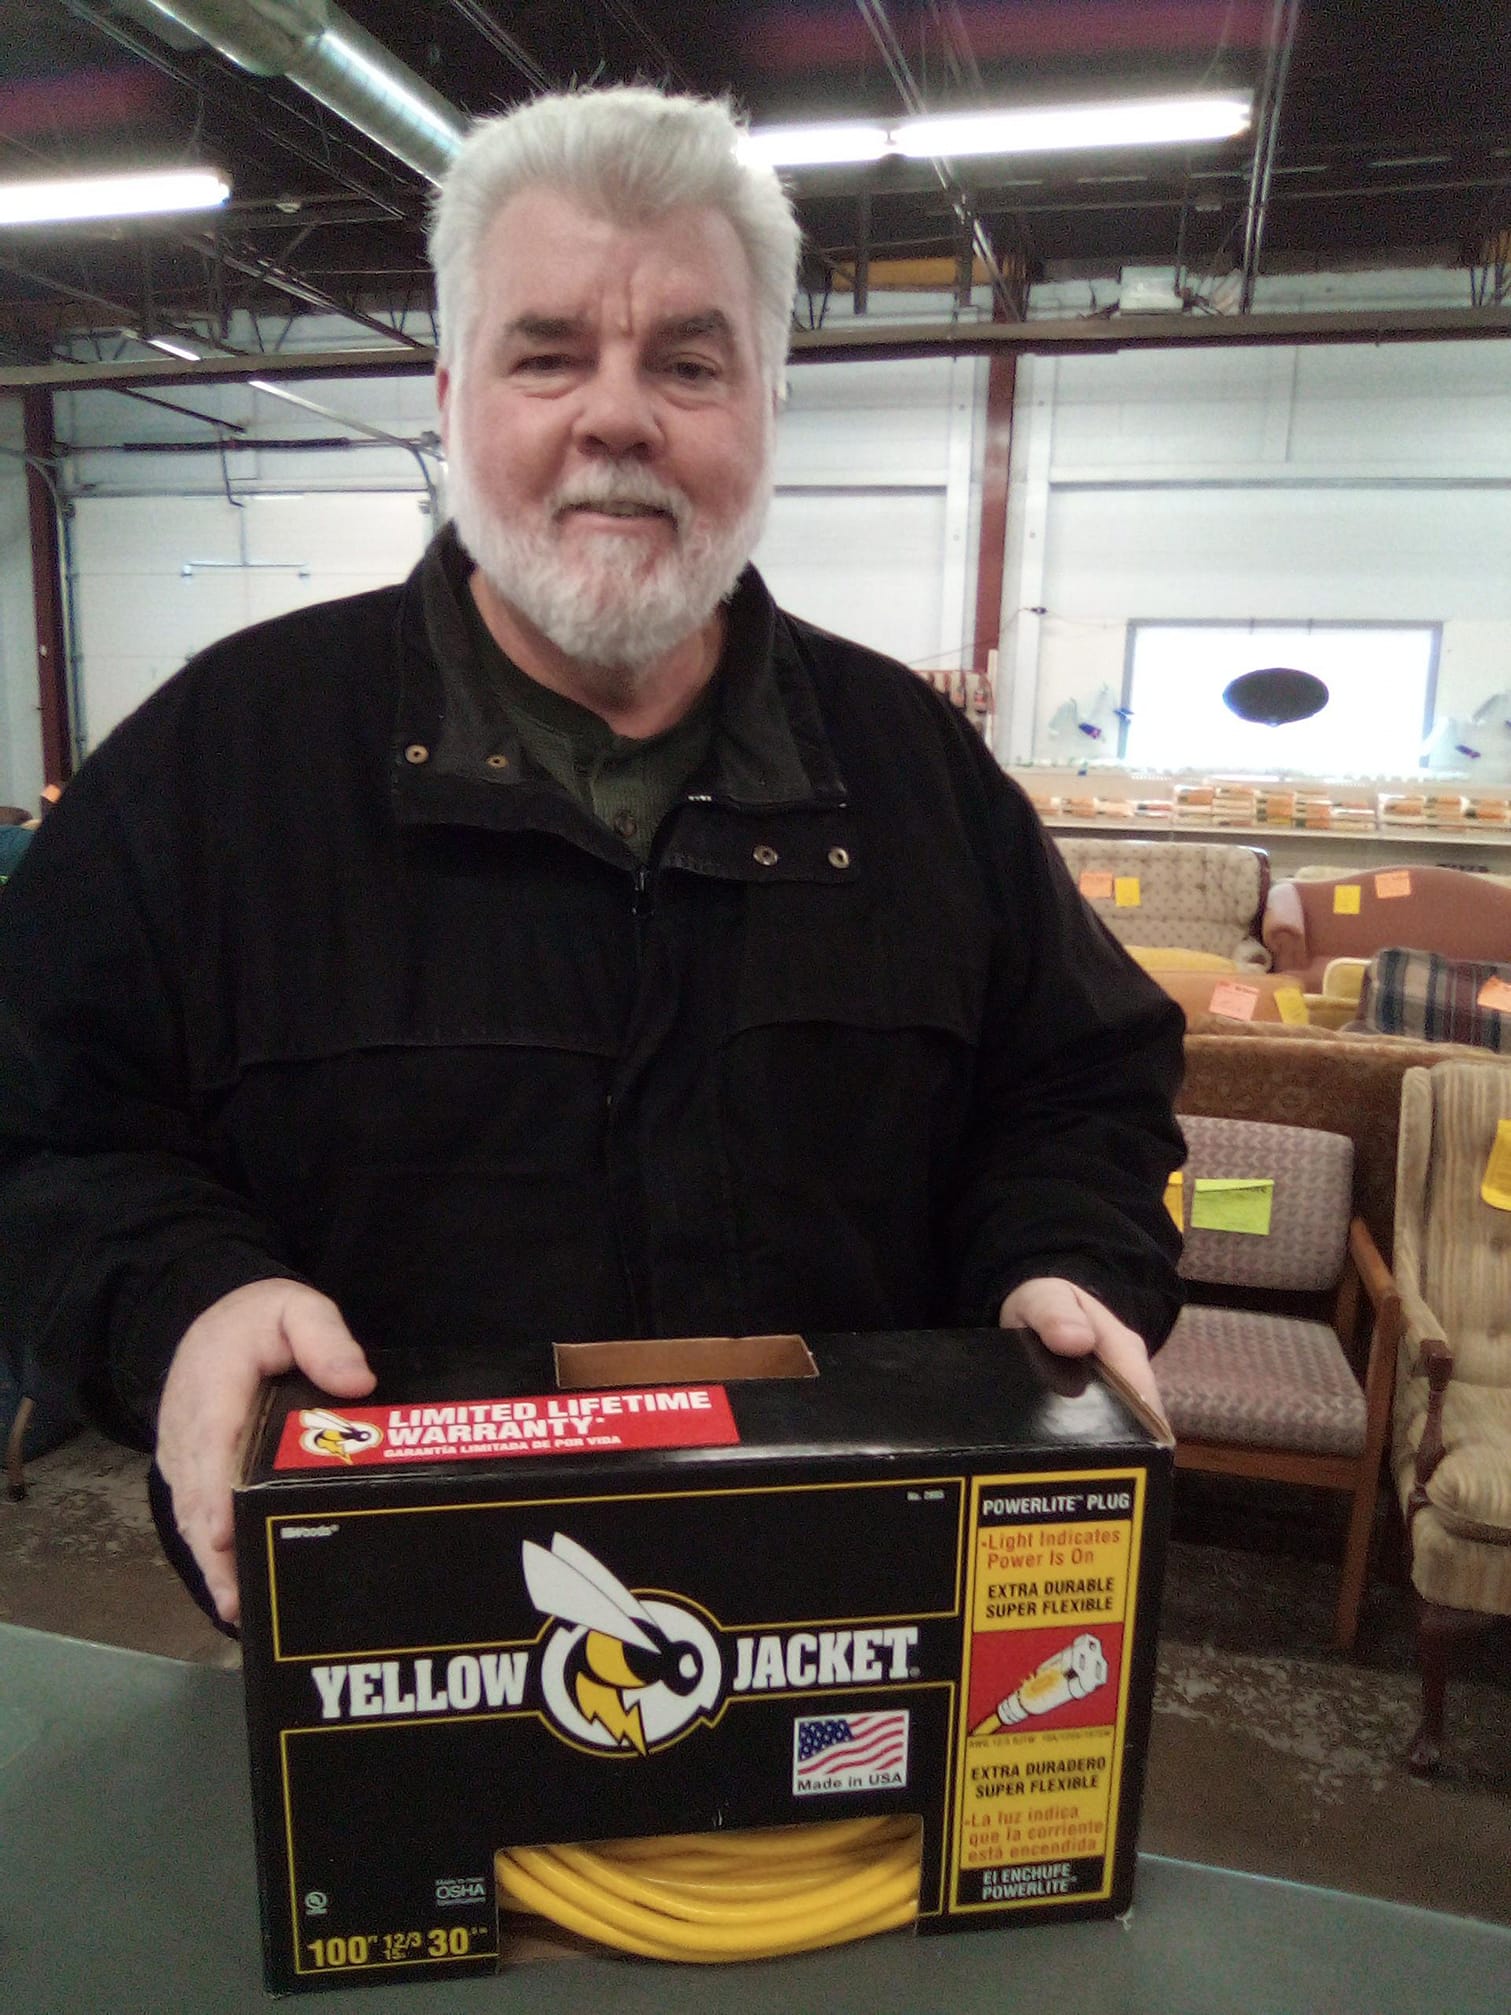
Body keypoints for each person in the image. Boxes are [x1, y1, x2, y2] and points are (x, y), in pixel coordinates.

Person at [0, 87, 1185, 1631]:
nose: (617, 417)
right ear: (450, 399)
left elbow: (1080, 1093)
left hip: (840, 1626)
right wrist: (185, 1301)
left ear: (767, 409)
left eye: (688, 362)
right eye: (547, 354)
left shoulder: (915, 775)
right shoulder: (220, 764)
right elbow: (45, 1131)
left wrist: (1059, 1257)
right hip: (391, 1639)